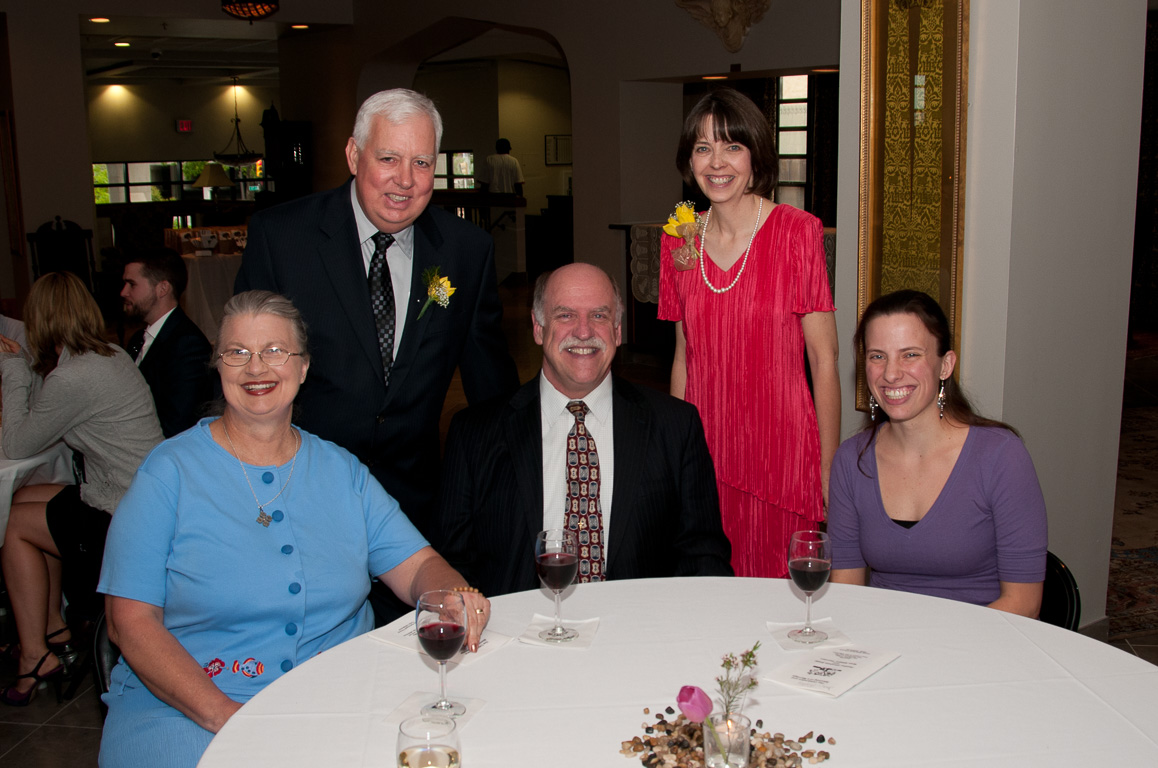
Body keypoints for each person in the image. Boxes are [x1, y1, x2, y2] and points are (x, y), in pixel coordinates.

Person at [97, 291, 491, 768]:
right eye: (237, 353)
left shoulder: (341, 471)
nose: (256, 368)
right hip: (187, 709)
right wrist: (229, 717)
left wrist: (449, 595)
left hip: (332, 701)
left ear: (303, 368)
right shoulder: (168, 474)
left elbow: (419, 567)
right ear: (218, 367)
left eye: (275, 352)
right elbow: (129, 622)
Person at [234, 88, 518, 543]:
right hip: (299, 497)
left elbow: (491, 388)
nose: (404, 180)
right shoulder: (282, 238)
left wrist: (508, 489)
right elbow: (244, 375)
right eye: (388, 158)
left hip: (414, 509)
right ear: (353, 154)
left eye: (422, 163)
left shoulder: (467, 251)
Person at [431, 263, 733, 597]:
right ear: (537, 328)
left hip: (637, 633)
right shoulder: (474, 434)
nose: (584, 331)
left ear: (618, 331)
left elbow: (704, 558)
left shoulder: (675, 426)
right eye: (565, 316)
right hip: (517, 636)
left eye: (600, 316)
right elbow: (451, 568)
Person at [658, 88, 840, 578]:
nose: (716, 162)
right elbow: (682, 358)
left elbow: (824, 360)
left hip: (780, 448)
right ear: (688, 160)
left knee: (782, 600)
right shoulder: (678, 240)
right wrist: (675, 457)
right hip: (707, 447)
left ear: (756, 154)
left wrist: (828, 467)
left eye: (731, 146)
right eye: (702, 148)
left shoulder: (799, 233)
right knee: (711, 592)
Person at [827, 289, 1047, 617]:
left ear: (945, 365)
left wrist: (938, 653)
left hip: (983, 644)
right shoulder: (851, 462)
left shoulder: (1001, 457)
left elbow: (1024, 604)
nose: (890, 373)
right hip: (884, 643)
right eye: (877, 356)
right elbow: (846, 590)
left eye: (910, 355)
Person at [0, 272, 163, 706]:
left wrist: (14, 368)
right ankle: (53, 627)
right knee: (23, 499)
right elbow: (45, 420)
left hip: (125, 514)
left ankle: (36, 655)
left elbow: (16, 442)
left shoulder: (74, 377)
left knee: (13, 525)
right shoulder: (105, 354)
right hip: (141, 494)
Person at [122, 247, 213, 437]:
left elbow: (177, 426)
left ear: (162, 288)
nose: (123, 292)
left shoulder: (188, 345)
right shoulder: (138, 338)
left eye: (132, 284)